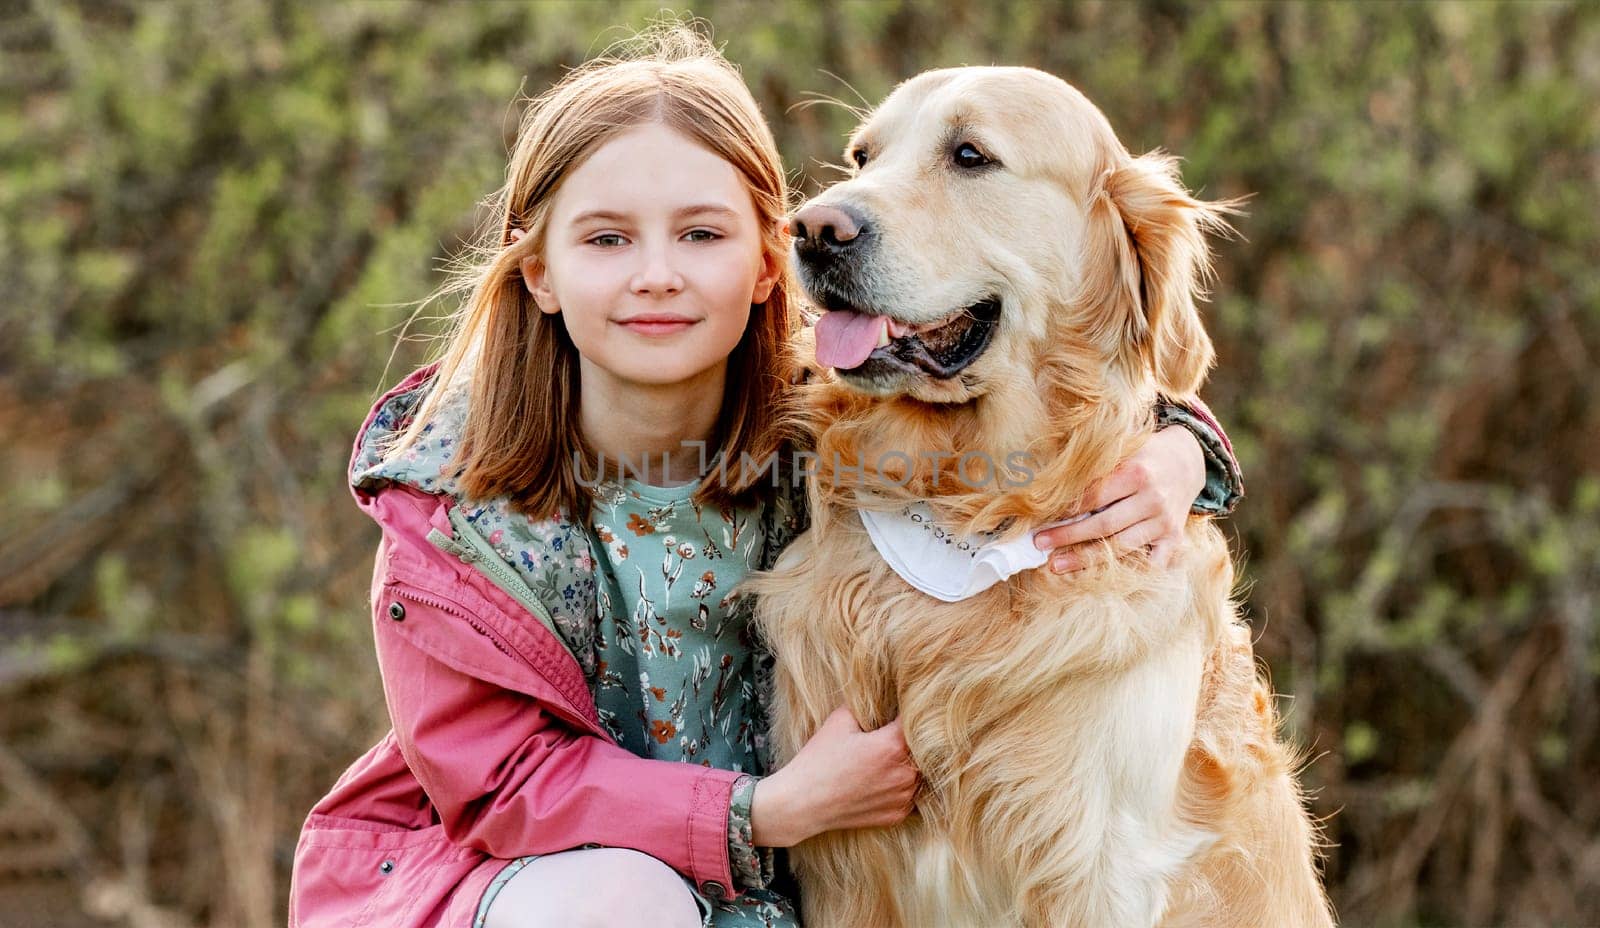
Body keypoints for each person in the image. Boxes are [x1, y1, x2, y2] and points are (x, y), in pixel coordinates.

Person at [286, 25, 1244, 928]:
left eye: (702, 235)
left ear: (762, 264)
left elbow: (1078, 398)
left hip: (750, 901)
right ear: (538, 272)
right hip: (529, 881)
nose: (656, 274)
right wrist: (766, 812)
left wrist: (1180, 450)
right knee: (619, 901)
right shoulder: (454, 509)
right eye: (607, 239)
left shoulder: (822, 433)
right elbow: (502, 786)